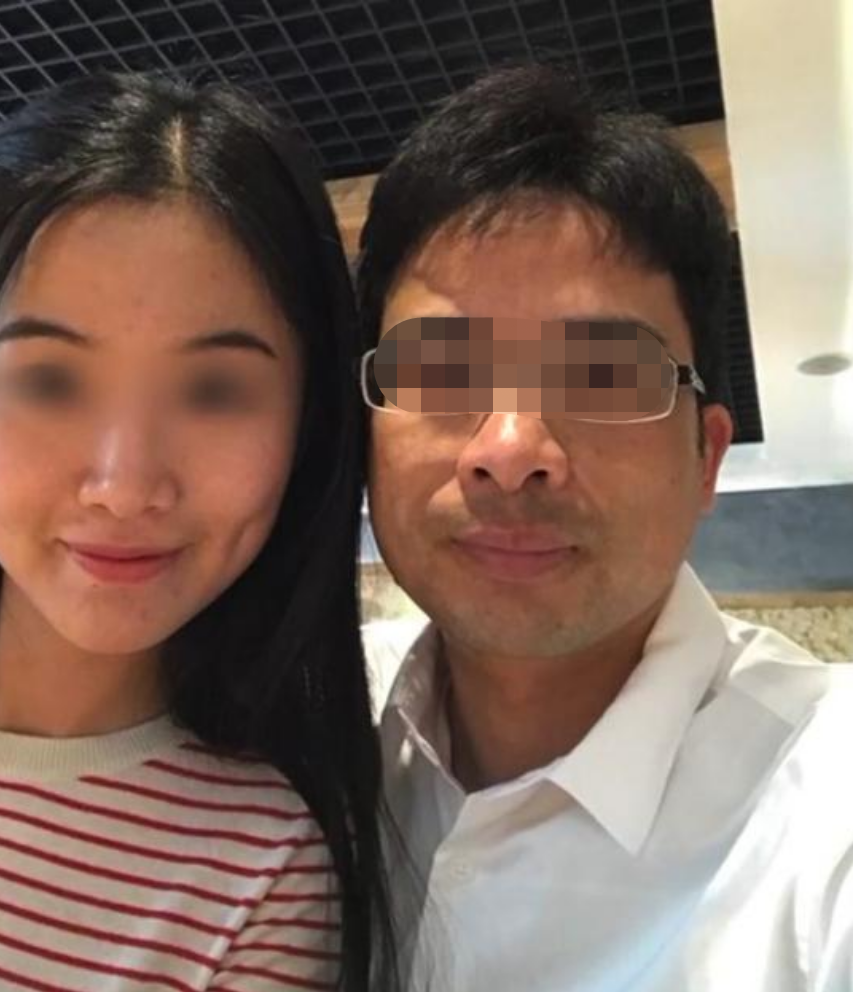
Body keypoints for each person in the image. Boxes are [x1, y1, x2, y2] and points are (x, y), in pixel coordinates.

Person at [0, 72, 398, 992]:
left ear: (307, 425)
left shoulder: (265, 872)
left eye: (214, 389)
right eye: (50, 380)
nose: (124, 486)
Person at [357, 65, 853, 990]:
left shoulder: (827, 805)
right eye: (439, 369)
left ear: (705, 457)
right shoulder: (311, 730)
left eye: (602, 376)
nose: (511, 450)